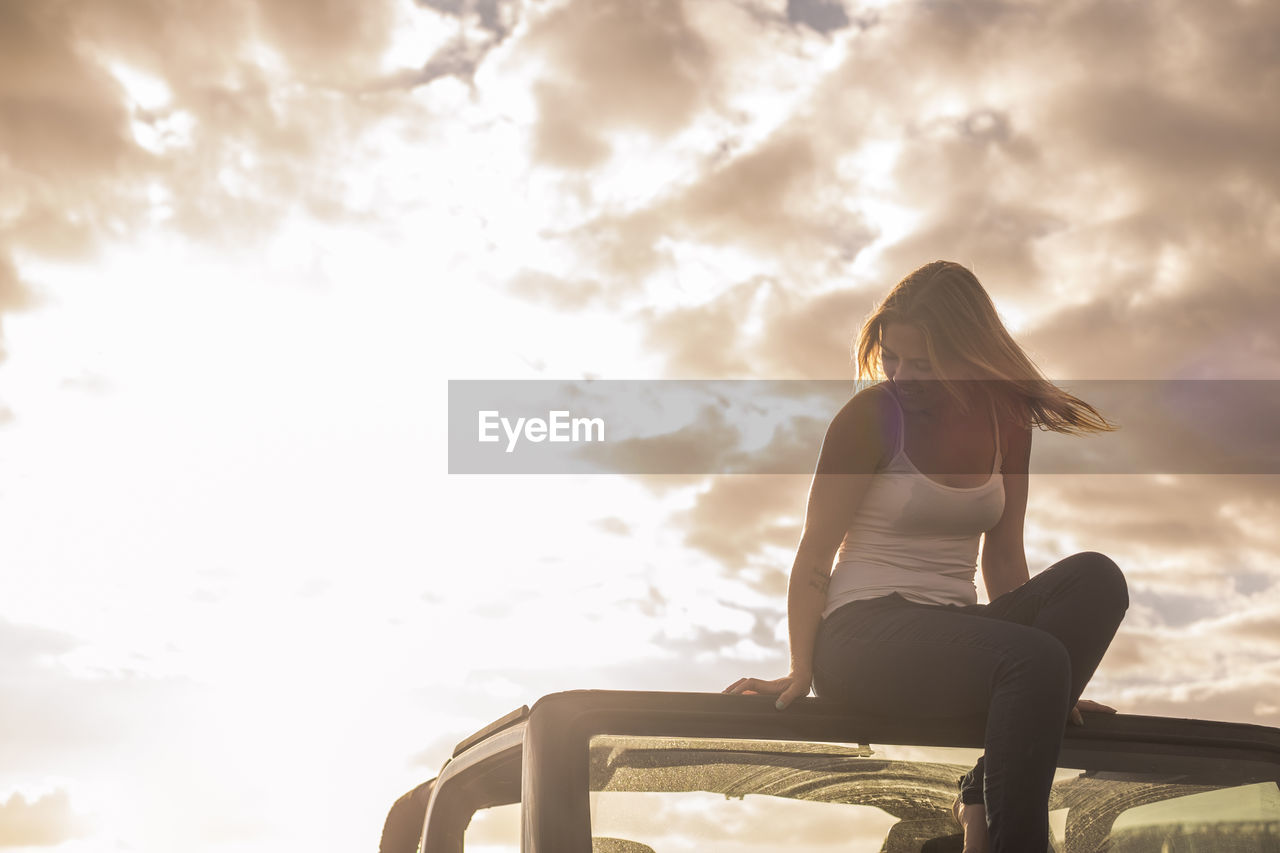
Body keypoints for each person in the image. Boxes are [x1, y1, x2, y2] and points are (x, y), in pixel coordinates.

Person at [722, 260, 1129, 853]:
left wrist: (1056, 683)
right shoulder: (871, 417)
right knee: (1034, 661)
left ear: (970, 353)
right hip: (860, 636)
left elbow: (1006, 555)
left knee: (1098, 577)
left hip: (958, 632)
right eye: (891, 357)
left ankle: (983, 785)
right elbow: (815, 553)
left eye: (923, 362)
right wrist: (801, 667)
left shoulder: (1007, 419)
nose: (902, 375)